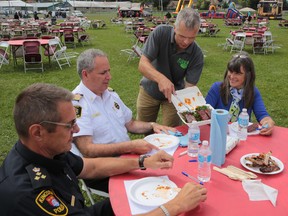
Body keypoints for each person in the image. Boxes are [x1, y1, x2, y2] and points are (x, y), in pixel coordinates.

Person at [0, 83, 207, 216]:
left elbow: (89, 167)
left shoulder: (46, 151)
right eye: (69, 124)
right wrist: (176, 206)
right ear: (38, 132)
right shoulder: (29, 193)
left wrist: (142, 162)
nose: (77, 129)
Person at [72, 49, 175, 191]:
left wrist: (153, 125)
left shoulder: (109, 94)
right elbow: (87, 149)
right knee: (159, 182)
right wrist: (130, 146)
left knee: (169, 164)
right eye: (103, 73)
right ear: (85, 74)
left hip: (128, 156)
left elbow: (130, 123)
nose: (109, 77)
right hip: (102, 169)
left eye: (109, 71)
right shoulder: (77, 104)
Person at [136, 8, 204, 127]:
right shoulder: (160, 33)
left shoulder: (197, 54)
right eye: (182, 36)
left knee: (171, 132)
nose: (186, 42)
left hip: (175, 96)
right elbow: (142, 64)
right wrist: (161, 79)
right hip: (149, 90)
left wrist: (192, 107)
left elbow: (189, 87)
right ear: (175, 27)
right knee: (144, 128)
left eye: (192, 37)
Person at [205, 52, 274, 135]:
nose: (232, 76)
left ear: (248, 75)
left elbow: (263, 115)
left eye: (237, 73)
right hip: (217, 134)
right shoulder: (217, 88)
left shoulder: (253, 92)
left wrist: (269, 124)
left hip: (241, 137)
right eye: (230, 71)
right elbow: (205, 113)